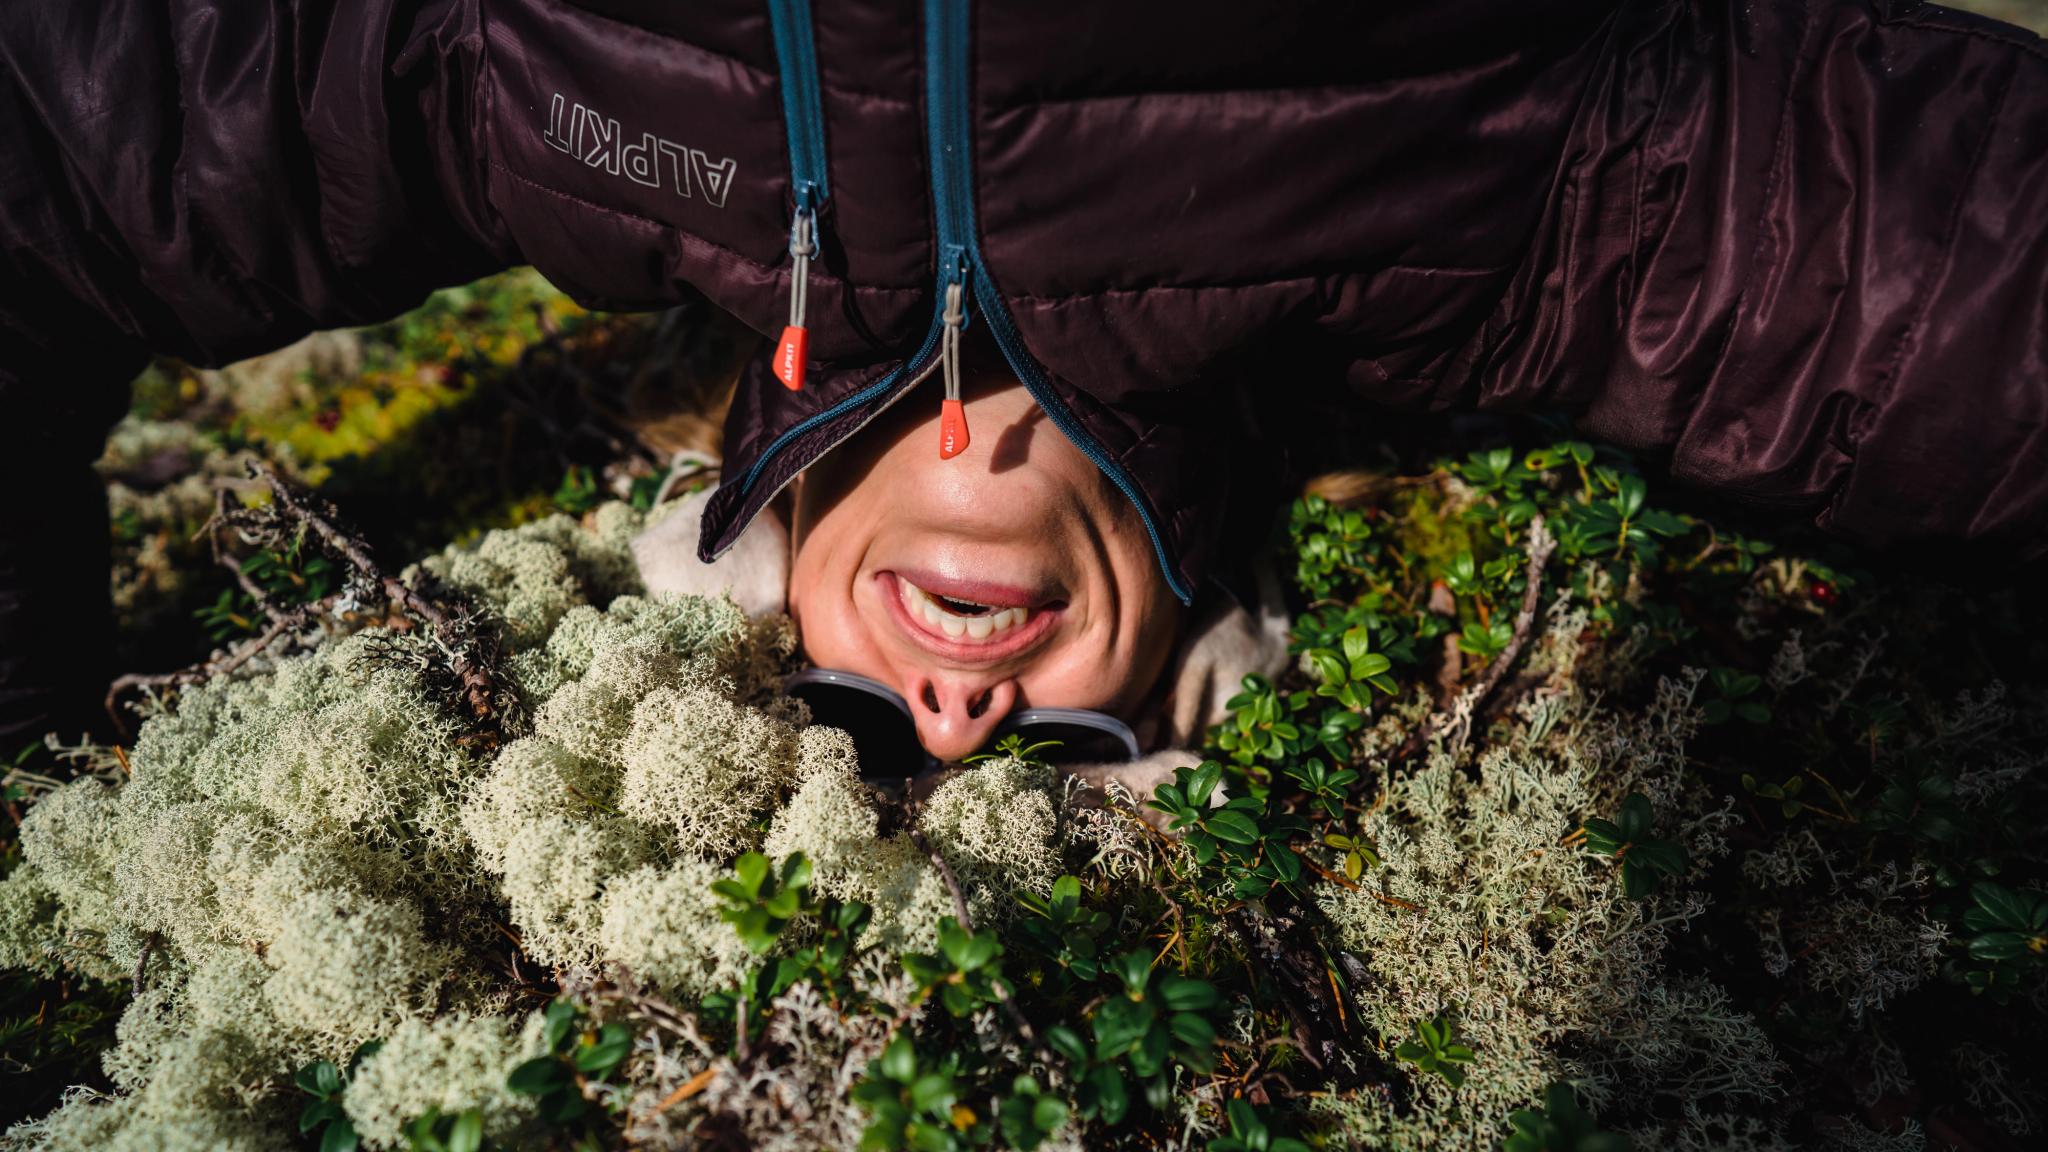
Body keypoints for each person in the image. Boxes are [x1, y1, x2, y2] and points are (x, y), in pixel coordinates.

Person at [3, 0, 2045, 753]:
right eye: (1077, 751)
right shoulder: (1503, 221)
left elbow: (52, 158)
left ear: (757, 562)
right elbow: (1940, 305)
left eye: (848, 729)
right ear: (1202, 605)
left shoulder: (547, 110)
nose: (961, 723)